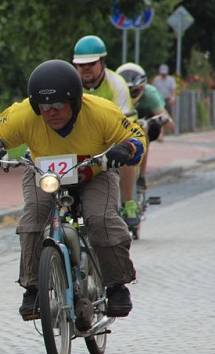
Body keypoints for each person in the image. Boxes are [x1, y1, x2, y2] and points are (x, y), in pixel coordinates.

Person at [0, 60, 146, 320]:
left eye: (58, 106)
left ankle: (117, 285)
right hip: (45, 174)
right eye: (44, 108)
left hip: (95, 173)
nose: (51, 113)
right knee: (34, 217)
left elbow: (136, 135)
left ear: (76, 103)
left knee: (101, 219)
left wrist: (126, 149)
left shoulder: (102, 112)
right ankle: (33, 288)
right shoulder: (24, 114)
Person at [72, 34, 140, 228]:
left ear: (102, 62)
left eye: (91, 64)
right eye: (80, 65)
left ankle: (128, 203)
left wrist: (120, 145)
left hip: (111, 135)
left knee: (127, 151)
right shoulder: (70, 82)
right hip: (80, 137)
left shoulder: (117, 84)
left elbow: (125, 124)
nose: (85, 69)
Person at [117, 62, 177, 189]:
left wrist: (163, 123)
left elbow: (165, 117)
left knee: (143, 132)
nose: (130, 94)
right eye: (126, 91)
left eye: (134, 91)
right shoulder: (114, 92)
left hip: (143, 122)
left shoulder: (150, 94)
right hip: (121, 122)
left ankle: (141, 177)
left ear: (143, 87)